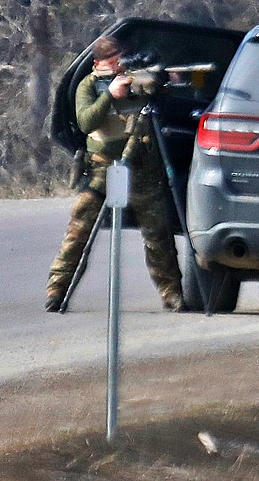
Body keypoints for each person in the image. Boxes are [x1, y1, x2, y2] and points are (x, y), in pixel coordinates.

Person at [45, 35, 185, 313]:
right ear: (99, 63)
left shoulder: (138, 80)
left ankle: (172, 293)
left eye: (122, 58)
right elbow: (86, 121)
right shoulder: (88, 85)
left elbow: (169, 99)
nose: (120, 65)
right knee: (78, 231)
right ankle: (57, 289)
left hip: (143, 170)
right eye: (113, 60)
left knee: (158, 235)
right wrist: (110, 95)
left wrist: (170, 82)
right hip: (101, 169)